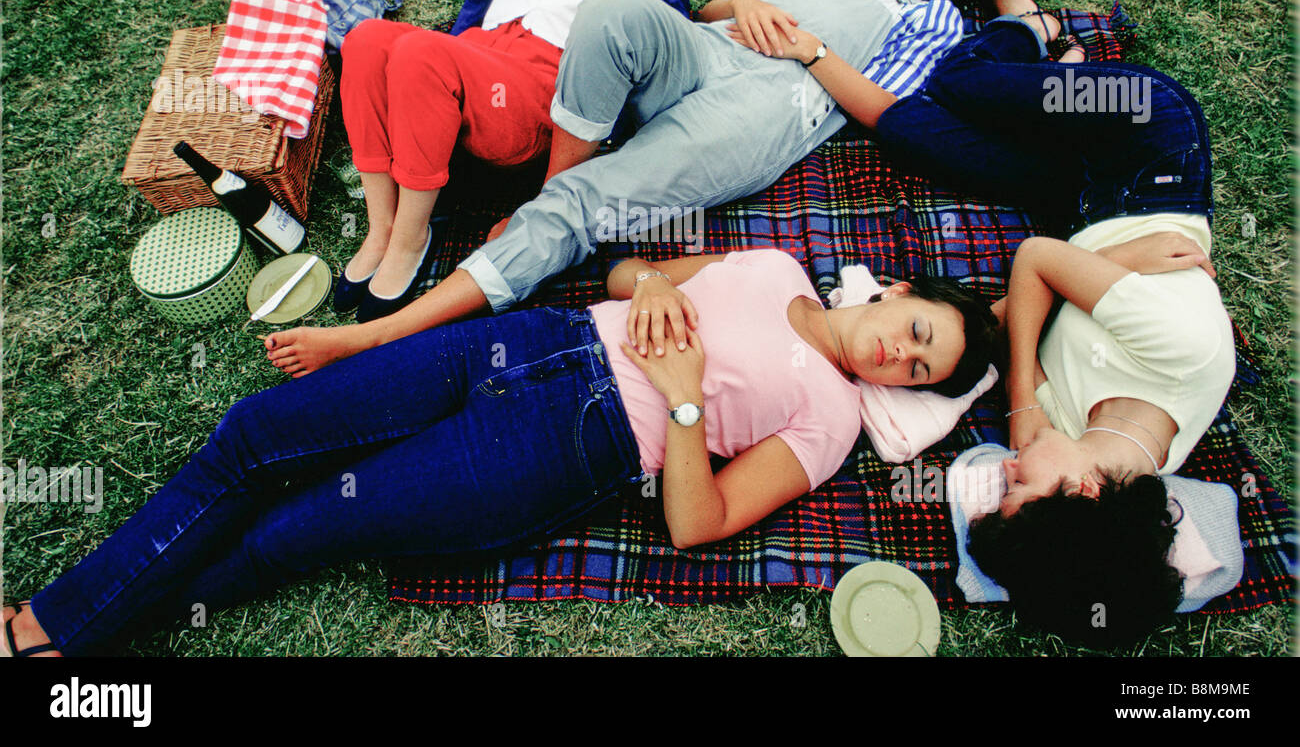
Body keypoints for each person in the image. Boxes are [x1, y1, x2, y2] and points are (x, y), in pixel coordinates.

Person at [2, 249, 997, 655]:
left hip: (561, 446)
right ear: (896, 294)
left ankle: (52, 628)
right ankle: (65, 618)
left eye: (918, 374)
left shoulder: (826, 425)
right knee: (255, 436)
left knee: (288, 535)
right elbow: (625, 272)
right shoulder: (775, 260)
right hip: (527, 341)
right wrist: (649, 278)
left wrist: (689, 405)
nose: (899, 357)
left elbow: (697, 525)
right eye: (916, 333)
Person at [266, 0, 1002, 375]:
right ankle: (551, 194)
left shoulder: (935, 22)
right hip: (712, 44)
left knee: (586, 205)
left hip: (778, 98)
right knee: (614, 4)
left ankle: (383, 334)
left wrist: (811, 52)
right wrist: (745, 5)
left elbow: (886, 114)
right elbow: (711, 5)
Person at [871, 0, 1234, 647]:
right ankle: (1037, 25)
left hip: (1078, 203)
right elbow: (1034, 263)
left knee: (906, 130)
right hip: (1147, 144)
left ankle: (1061, 73)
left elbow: (1013, 306)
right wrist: (1021, 394)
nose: (1007, 467)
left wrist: (1092, 271)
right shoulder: (1187, 353)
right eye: (1020, 486)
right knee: (960, 82)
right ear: (1089, 493)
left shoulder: (1067, 440)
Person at [336, 0, 690, 322]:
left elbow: (667, 28)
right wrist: (447, 67)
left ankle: (413, 241)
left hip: (541, 84)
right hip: (482, 53)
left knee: (419, 51)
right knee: (365, 39)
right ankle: (382, 227)